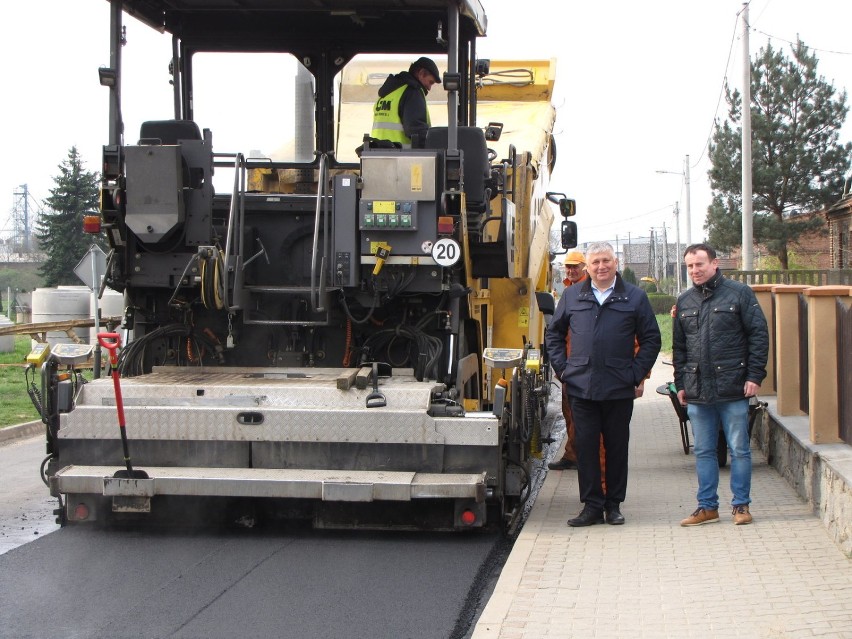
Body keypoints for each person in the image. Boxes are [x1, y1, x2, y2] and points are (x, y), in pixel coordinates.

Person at [545, 242, 661, 526]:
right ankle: (592, 506)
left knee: (617, 448)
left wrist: (635, 374)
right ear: (588, 266)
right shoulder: (572, 296)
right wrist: (564, 370)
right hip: (582, 389)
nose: (601, 266)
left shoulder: (634, 297)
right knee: (585, 449)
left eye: (606, 261)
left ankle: (614, 505)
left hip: (618, 389)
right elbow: (554, 336)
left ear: (616, 263)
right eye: (595, 262)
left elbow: (651, 339)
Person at [673, 243, 768, 527]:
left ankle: (741, 506)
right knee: (703, 450)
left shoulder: (740, 294)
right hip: (698, 389)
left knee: (739, 449)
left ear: (715, 264)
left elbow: (759, 336)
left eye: (699, 264)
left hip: (733, 386)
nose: (694, 270)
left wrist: (754, 376)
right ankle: (707, 507)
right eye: (689, 266)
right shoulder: (686, 300)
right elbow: (679, 348)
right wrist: (680, 383)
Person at [548, 250, 588, 472]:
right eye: (568, 266)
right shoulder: (569, 291)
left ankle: (579, 456)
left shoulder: (581, 291)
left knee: (578, 415)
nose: (571, 270)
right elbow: (557, 332)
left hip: (578, 366)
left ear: (584, 267)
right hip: (570, 367)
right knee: (570, 413)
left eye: (575, 266)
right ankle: (574, 454)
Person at [370, 57, 442, 149]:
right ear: (421, 73)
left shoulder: (389, 92)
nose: (429, 88)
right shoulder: (412, 92)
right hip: (402, 157)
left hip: (378, 154)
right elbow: (416, 130)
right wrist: (436, 146)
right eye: (430, 82)